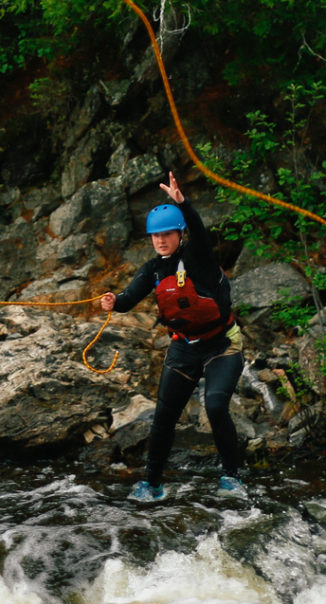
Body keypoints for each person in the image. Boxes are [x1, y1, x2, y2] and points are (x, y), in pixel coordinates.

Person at [101, 171, 245, 500]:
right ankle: (152, 484)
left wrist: (184, 203)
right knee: (164, 415)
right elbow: (125, 301)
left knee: (216, 406)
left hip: (222, 345)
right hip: (184, 349)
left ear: (179, 234)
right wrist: (113, 302)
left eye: (167, 234)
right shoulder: (152, 270)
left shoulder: (199, 258)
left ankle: (231, 477)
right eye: (155, 236)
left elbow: (199, 232)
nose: (161, 240)